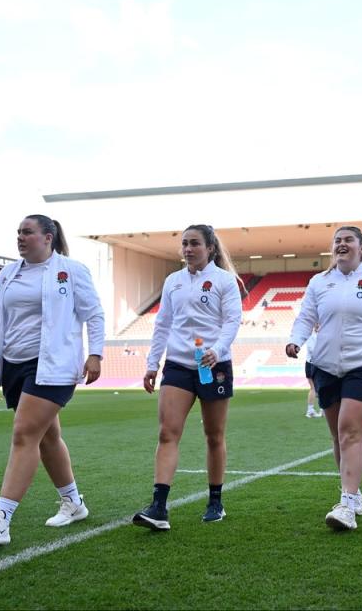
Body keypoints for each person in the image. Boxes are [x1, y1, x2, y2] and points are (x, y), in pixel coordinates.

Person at [0, 214, 105, 546]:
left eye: (27, 232)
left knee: (24, 433)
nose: (20, 237)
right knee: (47, 437)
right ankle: (73, 503)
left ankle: (1, 520)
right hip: (14, 365)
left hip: (54, 365)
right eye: (18, 232)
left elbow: (94, 313)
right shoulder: (8, 273)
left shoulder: (71, 270)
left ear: (48, 237)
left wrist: (96, 354)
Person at [286, 226, 362, 532]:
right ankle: (354, 492)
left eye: (348, 240)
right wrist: (296, 340)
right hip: (324, 366)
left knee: (350, 431)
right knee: (339, 435)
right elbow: (306, 317)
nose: (342, 244)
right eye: (337, 240)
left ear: (361, 247)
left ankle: (347, 503)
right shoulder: (319, 282)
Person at [133, 225, 244, 532]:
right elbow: (163, 323)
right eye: (184, 244)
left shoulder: (224, 281)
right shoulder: (173, 281)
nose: (188, 249)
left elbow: (233, 319)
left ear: (210, 248)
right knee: (168, 432)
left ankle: (215, 501)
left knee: (213, 435)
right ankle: (158, 506)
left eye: (195, 243)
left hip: (213, 365)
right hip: (179, 365)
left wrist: (218, 350)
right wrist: (152, 364)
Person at [303, 325, 323, 418]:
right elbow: (312, 350)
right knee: (314, 388)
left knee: (318, 388)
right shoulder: (313, 336)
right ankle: (311, 410)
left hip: (313, 363)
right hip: (313, 364)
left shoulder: (318, 336)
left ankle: (319, 409)